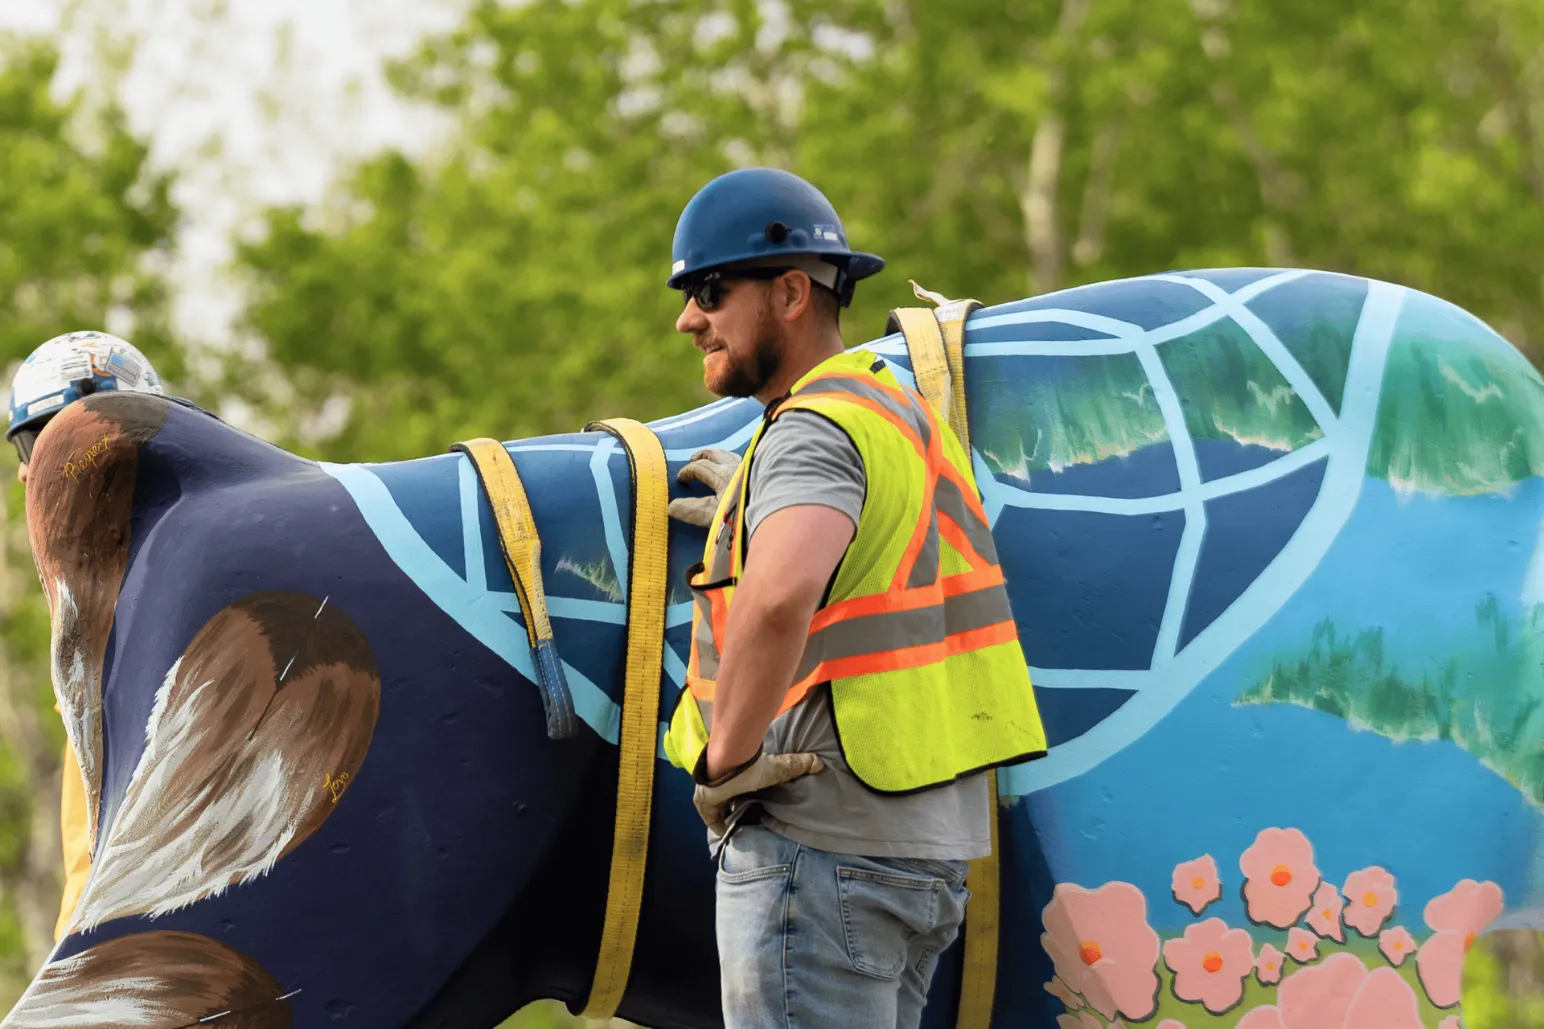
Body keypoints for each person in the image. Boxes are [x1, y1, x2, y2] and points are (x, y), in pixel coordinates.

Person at [661, 168, 1048, 1029]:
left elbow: (777, 599)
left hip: (817, 847)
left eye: (711, 291)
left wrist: (724, 761)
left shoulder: (811, 431)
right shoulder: (892, 410)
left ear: (792, 291)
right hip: (917, 849)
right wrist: (753, 501)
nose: (690, 320)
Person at [6, 330, 167, 939]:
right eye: (33, 447)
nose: (35, 475)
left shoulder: (157, 578)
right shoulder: (89, 602)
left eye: (62, 444)